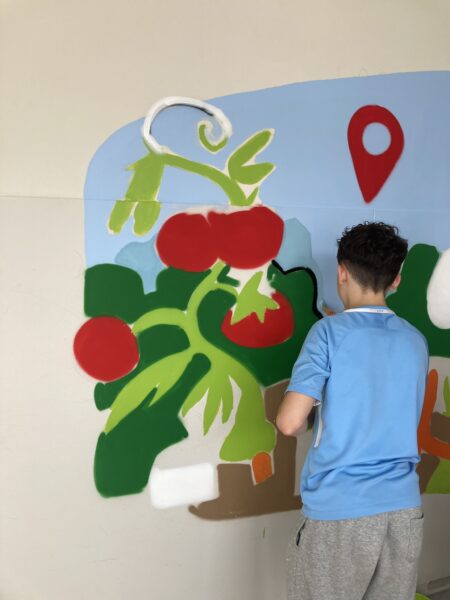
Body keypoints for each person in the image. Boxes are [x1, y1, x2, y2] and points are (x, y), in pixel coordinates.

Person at [276, 222, 429, 600]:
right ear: (396, 280)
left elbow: (290, 422)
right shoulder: (415, 340)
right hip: (404, 512)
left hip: (340, 511)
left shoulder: (327, 334)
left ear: (341, 272)